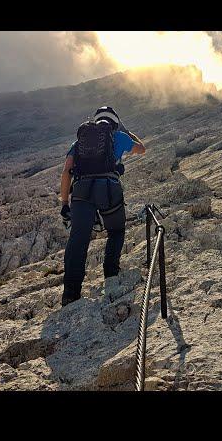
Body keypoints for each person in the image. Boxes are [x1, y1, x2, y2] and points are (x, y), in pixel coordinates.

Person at [59, 106, 146, 306]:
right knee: (116, 231)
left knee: (78, 240)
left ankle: (70, 294)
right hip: (108, 188)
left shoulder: (78, 142)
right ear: (114, 123)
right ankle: (111, 274)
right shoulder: (119, 137)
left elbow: (66, 171)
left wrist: (65, 202)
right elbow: (142, 149)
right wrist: (127, 132)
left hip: (81, 191)